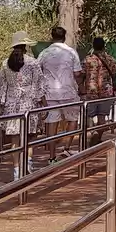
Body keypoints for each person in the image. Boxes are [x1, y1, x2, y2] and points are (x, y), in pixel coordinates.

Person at [0, 32, 47, 178]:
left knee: (15, 139)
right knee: (30, 135)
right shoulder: (32, 62)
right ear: (26, 46)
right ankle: (28, 162)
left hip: (11, 105)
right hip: (29, 103)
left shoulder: (5, 63)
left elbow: (1, 85)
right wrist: (43, 102)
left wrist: (2, 101)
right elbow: (39, 85)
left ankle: (16, 170)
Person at [37, 24, 83, 161]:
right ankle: (67, 148)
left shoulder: (44, 53)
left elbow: (38, 72)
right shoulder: (71, 52)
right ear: (64, 37)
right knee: (73, 119)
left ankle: (51, 156)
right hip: (68, 92)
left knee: (52, 123)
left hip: (49, 94)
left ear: (52, 37)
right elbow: (77, 73)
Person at [82, 36, 116, 139]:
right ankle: (98, 135)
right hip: (106, 92)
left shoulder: (87, 60)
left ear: (93, 46)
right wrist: (115, 89)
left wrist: (81, 89)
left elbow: (81, 75)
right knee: (102, 116)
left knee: (89, 115)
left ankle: (92, 133)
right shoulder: (111, 60)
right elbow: (114, 77)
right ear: (104, 46)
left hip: (91, 91)